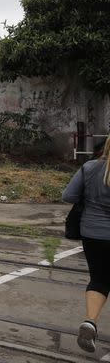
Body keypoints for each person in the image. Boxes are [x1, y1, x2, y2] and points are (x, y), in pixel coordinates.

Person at [63, 137, 110, 353]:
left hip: (92, 234)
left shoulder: (90, 167)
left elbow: (68, 195)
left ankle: (90, 322)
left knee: (99, 281)